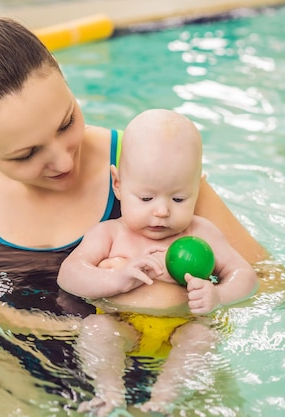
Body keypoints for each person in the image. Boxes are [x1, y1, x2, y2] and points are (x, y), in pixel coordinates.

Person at [0, 0, 270, 413]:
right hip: (16, 367)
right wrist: (25, 324)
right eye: (26, 154)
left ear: (63, 75)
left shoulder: (150, 167)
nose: (65, 161)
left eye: (66, 122)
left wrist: (168, 300)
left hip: (170, 363)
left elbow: (271, 282)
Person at [57, 109, 259, 416]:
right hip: (123, 327)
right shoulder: (109, 234)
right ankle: (109, 392)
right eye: (146, 198)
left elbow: (245, 275)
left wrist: (219, 295)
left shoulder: (202, 233)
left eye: (178, 199)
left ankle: (165, 398)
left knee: (203, 335)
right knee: (97, 328)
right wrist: (118, 278)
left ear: (198, 187)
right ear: (118, 184)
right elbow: (69, 274)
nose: (162, 211)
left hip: (183, 328)